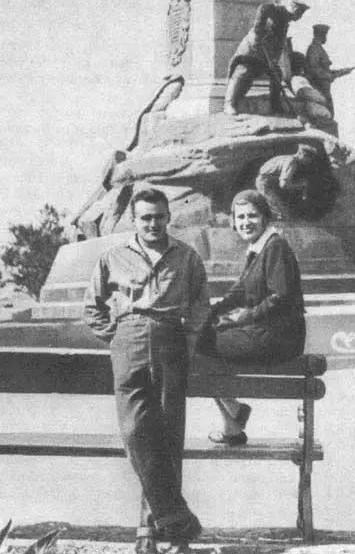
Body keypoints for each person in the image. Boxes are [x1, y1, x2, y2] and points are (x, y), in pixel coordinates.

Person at [84, 188, 210, 554]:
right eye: (145, 218)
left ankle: (154, 533)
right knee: (136, 432)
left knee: (167, 437)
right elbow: (92, 307)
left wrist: (187, 340)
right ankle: (176, 519)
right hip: (130, 339)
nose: (153, 224)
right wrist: (118, 336)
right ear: (133, 220)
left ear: (168, 217)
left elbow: (201, 304)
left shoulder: (187, 257)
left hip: (171, 340)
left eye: (158, 217)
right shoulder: (112, 257)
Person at [198, 190, 306, 444]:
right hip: (265, 333)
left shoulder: (275, 247)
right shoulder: (258, 249)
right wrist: (209, 314)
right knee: (198, 336)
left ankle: (233, 414)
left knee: (197, 342)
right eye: (240, 217)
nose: (246, 222)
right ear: (233, 221)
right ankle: (233, 418)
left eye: (252, 216)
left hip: (279, 338)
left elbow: (281, 297)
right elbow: (239, 291)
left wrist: (244, 317)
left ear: (265, 217)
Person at [224, 0, 310, 115]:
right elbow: (262, 13)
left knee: (276, 74)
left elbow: (279, 45)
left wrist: (274, 61)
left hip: (266, 54)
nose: (300, 17)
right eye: (300, 14)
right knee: (243, 71)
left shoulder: (285, 22)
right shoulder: (274, 10)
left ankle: (276, 107)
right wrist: (259, 34)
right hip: (252, 49)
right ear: (295, 10)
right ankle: (228, 104)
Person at [256, 144, 335, 220]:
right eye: (309, 158)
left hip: (268, 183)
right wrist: (300, 186)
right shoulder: (292, 162)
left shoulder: (289, 158)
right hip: (264, 184)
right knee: (278, 213)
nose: (309, 161)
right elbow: (283, 185)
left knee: (282, 211)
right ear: (302, 155)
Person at [305, 24, 355, 118]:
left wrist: (342, 72)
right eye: (325, 35)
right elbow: (314, 69)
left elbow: (324, 70)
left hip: (323, 88)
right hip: (319, 88)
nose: (326, 38)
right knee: (326, 116)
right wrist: (330, 76)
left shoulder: (318, 49)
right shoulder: (315, 49)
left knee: (328, 115)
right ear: (321, 35)